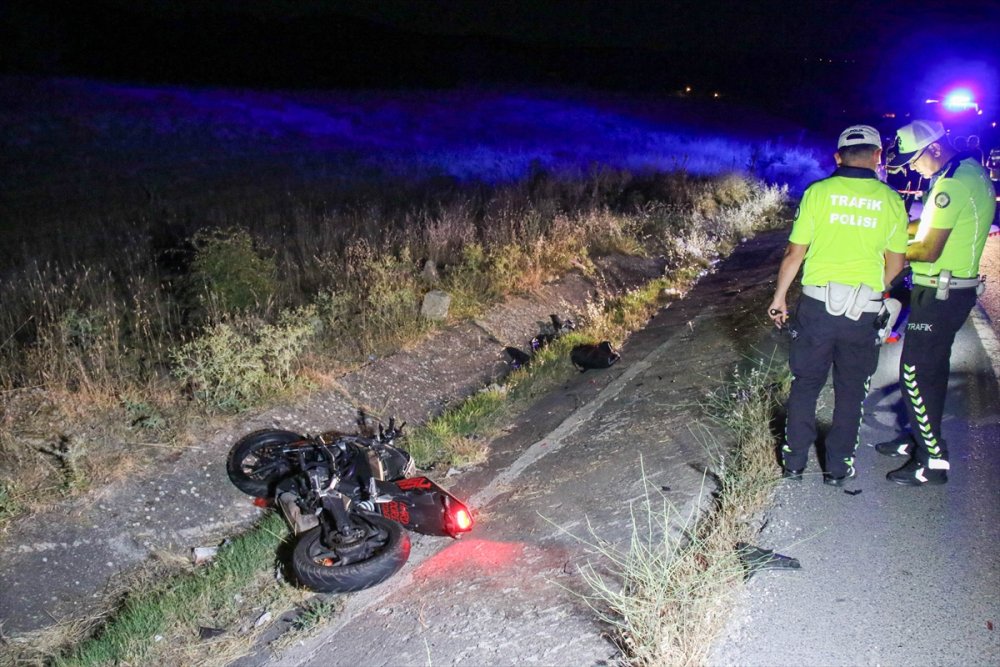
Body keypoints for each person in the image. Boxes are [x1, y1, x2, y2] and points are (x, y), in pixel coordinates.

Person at [768, 125, 908, 486]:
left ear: (837, 157)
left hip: (817, 308)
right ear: (878, 156)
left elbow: (794, 253)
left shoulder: (817, 193)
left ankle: (794, 464)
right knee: (851, 390)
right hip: (863, 311)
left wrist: (779, 297)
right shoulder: (891, 200)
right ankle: (838, 468)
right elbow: (896, 265)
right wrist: (878, 293)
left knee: (805, 384)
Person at [875, 120, 996, 485]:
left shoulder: (952, 184)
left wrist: (882, 250)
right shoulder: (959, 173)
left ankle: (932, 460)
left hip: (942, 293)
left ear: (935, 149)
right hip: (946, 291)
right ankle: (919, 437)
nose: (912, 167)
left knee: (913, 373)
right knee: (932, 370)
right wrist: (892, 231)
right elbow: (923, 227)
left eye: (915, 160)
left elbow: (928, 249)